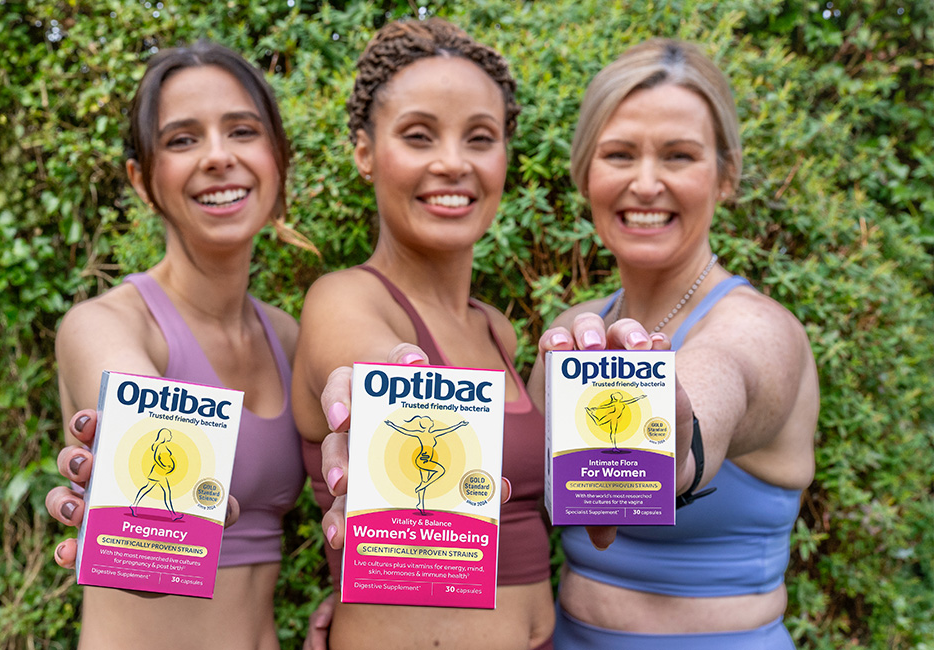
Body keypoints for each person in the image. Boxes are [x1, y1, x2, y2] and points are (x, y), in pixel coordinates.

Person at [528, 38, 819, 648]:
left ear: (725, 177)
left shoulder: (760, 328)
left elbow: (717, 385)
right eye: (618, 154)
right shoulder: (575, 328)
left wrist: (671, 456)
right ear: (585, 172)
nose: (645, 183)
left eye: (679, 156)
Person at [293, 18, 555, 650]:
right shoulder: (343, 298)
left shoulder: (496, 330)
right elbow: (373, 371)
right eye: (418, 136)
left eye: (480, 138)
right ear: (364, 152)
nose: (453, 163)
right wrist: (387, 379)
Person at [43, 41, 309, 649]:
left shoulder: (288, 336)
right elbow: (143, 425)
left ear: (277, 157)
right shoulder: (104, 325)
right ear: (142, 180)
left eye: (242, 131)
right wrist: (146, 535)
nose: (218, 156)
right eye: (183, 140)